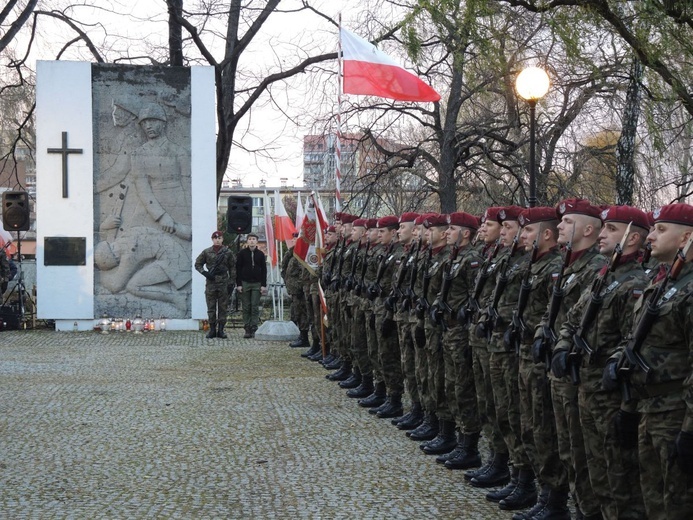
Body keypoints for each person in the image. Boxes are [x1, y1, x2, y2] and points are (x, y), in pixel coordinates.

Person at [195, 231, 236, 339]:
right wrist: (205, 273)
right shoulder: (207, 252)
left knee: (223, 307)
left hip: (223, 282)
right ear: (212, 239)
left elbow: (232, 267)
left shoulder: (228, 252)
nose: (217, 240)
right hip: (211, 282)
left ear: (222, 239)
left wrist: (232, 281)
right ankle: (212, 329)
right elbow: (198, 264)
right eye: (215, 238)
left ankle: (221, 330)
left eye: (219, 238)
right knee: (211, 307)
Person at [235, 233, 267, 338]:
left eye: (254, 239)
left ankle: (254, 326)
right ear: (247, 241)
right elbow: (238, 269)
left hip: (257, 283)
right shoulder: (242, 253)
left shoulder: (261, 254)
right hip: (245, 283)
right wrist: (238, 284)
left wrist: (263, 285)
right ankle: (247, 327)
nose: (252, 241)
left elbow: (264, 270)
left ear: (257, 241)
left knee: (254, 306)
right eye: (250, 239)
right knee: (246, 306)